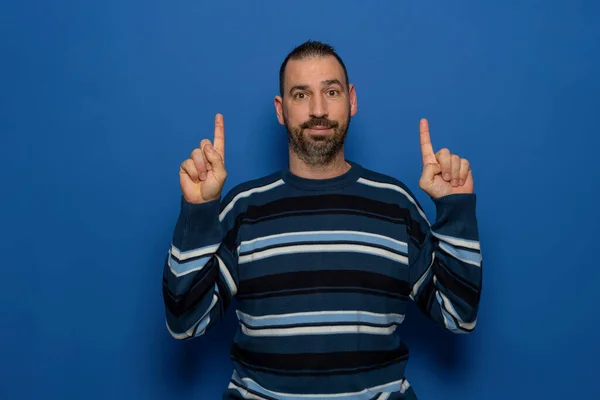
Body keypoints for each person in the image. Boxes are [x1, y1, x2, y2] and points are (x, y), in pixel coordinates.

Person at [162, 40, 482, 400]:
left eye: (331, 91)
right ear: (281, 110)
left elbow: (458, 315)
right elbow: (184, 323)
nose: (318, 109)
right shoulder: (242, 208)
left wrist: (455, 209)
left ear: (352, 100)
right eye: (301, 95)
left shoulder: (396, 205)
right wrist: (198, 210)